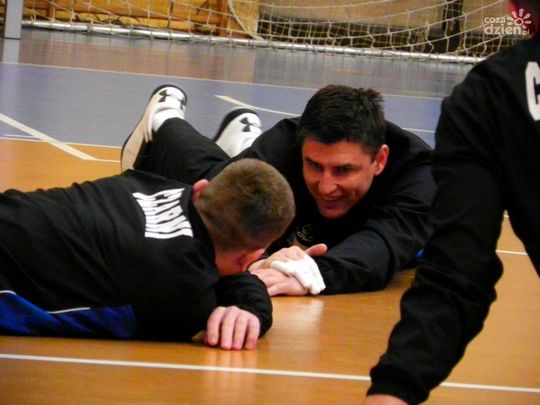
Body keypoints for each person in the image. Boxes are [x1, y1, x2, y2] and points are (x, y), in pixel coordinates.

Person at [365, 0, 540, 403]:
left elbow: (457, 271)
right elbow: (457, 270)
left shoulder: (490, 97)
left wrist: (393, 390)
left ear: (516, 10)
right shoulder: (490, 99)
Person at [121, 84, 436, 296]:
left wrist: (309, 273)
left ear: (379, 160)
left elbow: (383, 246)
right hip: (279, 184)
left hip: (338, 236)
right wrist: (254, 260)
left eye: (343, 170)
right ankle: (164, 123)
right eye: (314, 165)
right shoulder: (287, 143)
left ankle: (240, 147)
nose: (327, 186)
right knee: (216, 189)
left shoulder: (420, 176)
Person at [0, 158, 295, 351]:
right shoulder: (185, 296)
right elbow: (222, 282)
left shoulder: (152, 183)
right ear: (249, 259)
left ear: (200, 189)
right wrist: (254, 308)